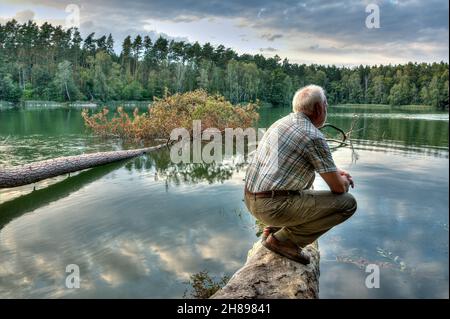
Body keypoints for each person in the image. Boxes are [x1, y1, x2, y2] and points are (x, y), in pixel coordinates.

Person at [244, 85, 357, 264]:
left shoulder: (280, 123)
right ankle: (284, 241)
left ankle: (273, 229)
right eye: (326, 105)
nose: (326, 110)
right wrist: (342, 180)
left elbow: (289, 168)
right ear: (319, 108)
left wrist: (334, 173)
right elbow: (338, 189)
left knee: (304, 189)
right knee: (348, 203)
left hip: (251, 200)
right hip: (271, 207)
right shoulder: (313, 136)